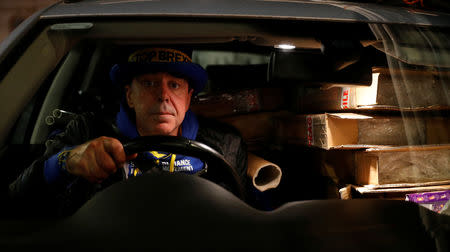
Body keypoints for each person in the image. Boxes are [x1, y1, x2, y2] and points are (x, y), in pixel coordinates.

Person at [9, 47, 248, 217]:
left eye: (174, 85)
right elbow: (17, 200)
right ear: (129, 95)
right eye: (149, 83)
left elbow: (243, 220)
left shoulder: (225, 144)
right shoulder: (88, 132)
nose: (163, 95)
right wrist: (66, 161)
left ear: (188, 98)